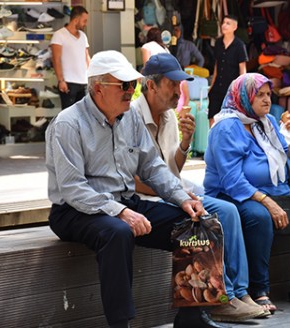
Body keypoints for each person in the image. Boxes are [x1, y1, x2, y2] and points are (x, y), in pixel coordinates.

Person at [45, 50, 223, 328]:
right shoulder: (68, 123)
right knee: (118, 231)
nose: (131, 91)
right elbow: (72, 188)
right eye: (124, 85)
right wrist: (121, 212)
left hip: (122, 200)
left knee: (197, 223)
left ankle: (192, 315)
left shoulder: (130, 118)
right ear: (99, 88)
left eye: (133, 85)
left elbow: (152, 166)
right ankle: (120, 324)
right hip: (74, 209)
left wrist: (181, 197)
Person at [131, 53, 266, 322]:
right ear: (152, 85)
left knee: (229, 210)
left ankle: (237, 292)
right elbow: (135, 181)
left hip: (172, 188)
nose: (179, 92)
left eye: (181, 85)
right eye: (173, 84)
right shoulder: (132, 117)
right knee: (211, 214)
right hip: (148, 196)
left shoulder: (168, 117)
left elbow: (172, 170)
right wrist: (178, 195)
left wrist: (185, 143)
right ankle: (222, 298)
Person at [204, 73, 290, 314]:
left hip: (277, 191)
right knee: (260, 217)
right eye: (259, 95)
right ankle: (259, 289)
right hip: (236, 196)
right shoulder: (226, 127)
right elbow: (232, 180)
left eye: (268, 95)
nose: (266, 100)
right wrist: (267, 202)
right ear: (242, 97)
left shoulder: (268, 122)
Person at [208, 15, 248, 127]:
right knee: (212, 117)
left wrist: (241, 90)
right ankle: (212, 142)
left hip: (231, 89)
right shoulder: (218, 43)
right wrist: (211, 86)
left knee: (229, 120)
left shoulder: (240, 45)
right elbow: (217, 66)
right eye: (223, 22)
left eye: (228, 23)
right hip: (217, 87)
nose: (224, 25)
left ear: (235, 27)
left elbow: (242, 69)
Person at [50, 6, 90, 110]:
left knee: (84, 115)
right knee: (69, 116)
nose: (85, 24)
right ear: (76, 20)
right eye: (84, 21)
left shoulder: (83, 36)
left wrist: (91, 76)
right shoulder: (59, 35)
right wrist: (61, 80)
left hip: (83, 82)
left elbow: (86, 57)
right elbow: (56, 59)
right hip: (68, 82)